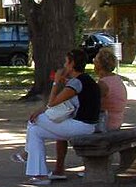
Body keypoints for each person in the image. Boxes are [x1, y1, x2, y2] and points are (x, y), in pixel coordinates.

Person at [16, 49, 99, 184]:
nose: (65, 66)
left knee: (34, 120)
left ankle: (27, 152)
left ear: (72, 64)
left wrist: (56, 82)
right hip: (85, 125)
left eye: (66, 62)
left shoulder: (77, 82)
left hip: (82, 126)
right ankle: (39, 175)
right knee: (35, 131)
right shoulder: (83, 80)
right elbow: (63, 104)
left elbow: (52, 102)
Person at [52, 45, 126, 179]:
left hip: (104, 125)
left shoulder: (103, 84)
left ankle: (59, 169)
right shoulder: (116, 79)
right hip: (115, 123)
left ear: (100, 66)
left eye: (95, 62)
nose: (93, 65)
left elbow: (91, 102)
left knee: (61, 131)